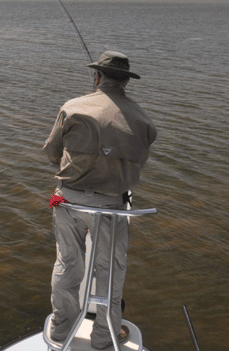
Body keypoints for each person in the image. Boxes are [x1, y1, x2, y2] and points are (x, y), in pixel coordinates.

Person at [42, 51, 157, 350]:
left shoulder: (72, 107)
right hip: (111, 209)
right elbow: (140, 159)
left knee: (67, 264)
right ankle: (104, 337)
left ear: (97, 77)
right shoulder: (143, 119)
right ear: (126, 82)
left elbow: (52, 152)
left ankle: (60, 331)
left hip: (67, 201)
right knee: (111, 272)